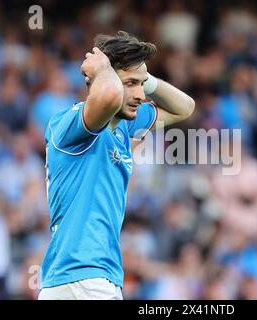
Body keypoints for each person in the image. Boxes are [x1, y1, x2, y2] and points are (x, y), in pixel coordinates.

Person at [38, 31, 195, 300]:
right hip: (87, 277)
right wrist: (102, 69)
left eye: (141, 85)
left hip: (71, 280)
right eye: (130, 83)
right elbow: (109, 96)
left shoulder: (125, 126)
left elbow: (185, 107)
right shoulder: (71, 124)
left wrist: (147, 81)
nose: (139, 94)